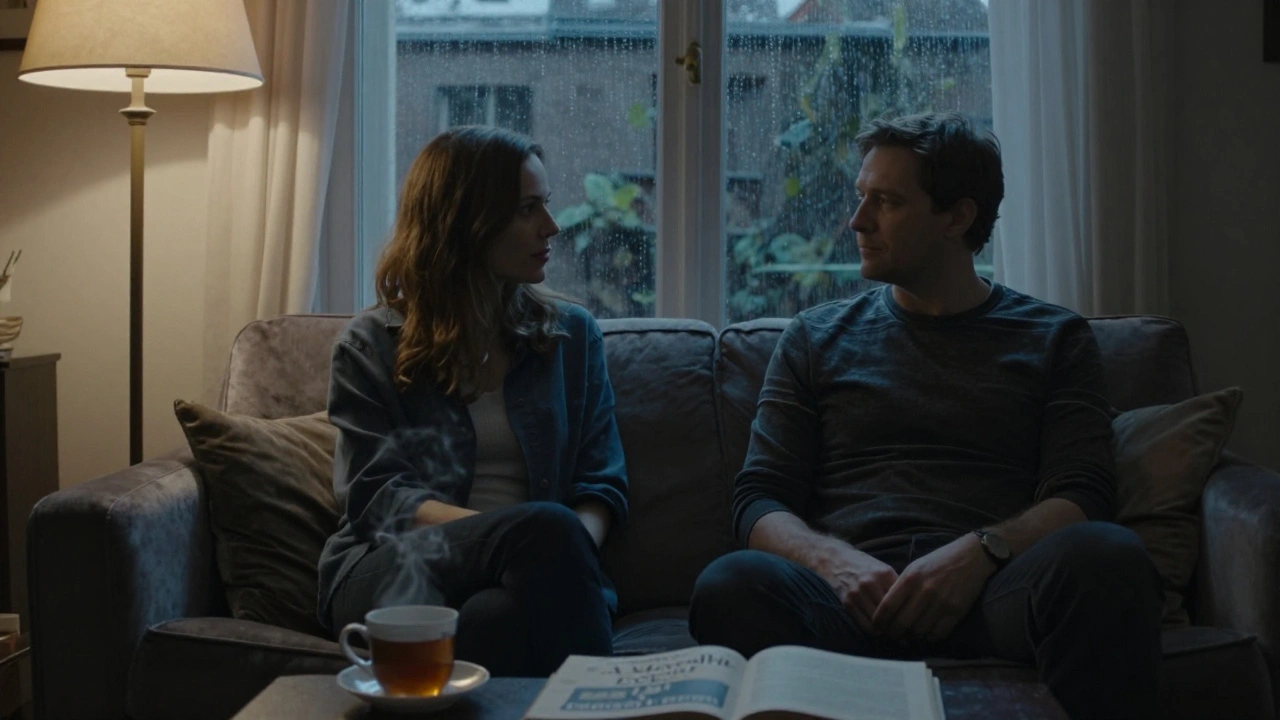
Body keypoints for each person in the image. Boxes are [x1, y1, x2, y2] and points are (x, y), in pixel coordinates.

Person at [688, 113, 1162, 720]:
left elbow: (1083, 491)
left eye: (885, 202)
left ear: (957, 217)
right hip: (849, 602)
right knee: (730, 584)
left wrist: (980, 553)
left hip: (993, 592)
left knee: (1109, 557)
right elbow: (758, 499)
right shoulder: (815, 337)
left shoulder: (1054, 338)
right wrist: (834, 562)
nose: (857, 220)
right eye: (861, 196)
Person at [317, 126, 628, 677]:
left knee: (494, 620)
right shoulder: (371, 345)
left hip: (538, 573)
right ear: (466, 222)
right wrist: (512, 540)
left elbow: (600, 482)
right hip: (392, 565)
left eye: (546, 204)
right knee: (544, 529)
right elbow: (377, 497)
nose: (551, 226)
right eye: (527, 209)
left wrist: (556, 554)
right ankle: (604, 701)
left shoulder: (572, 337)